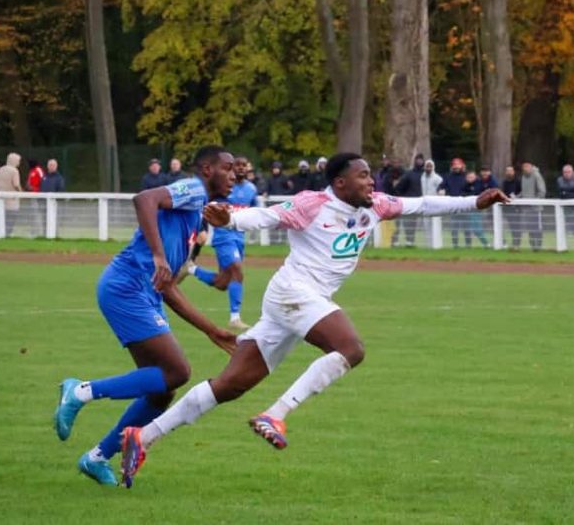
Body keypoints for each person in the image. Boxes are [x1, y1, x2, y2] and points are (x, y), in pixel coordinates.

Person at [118, 153, 509, 487]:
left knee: (231, 384)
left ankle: (143, 435)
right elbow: (267, 216)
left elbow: (422, 205)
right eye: (362, 176)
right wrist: (231, 221)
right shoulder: (312, 203)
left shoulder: (375, 205)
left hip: (301, 301)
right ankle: (276, 414)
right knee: (350, 349)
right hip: (293, 292)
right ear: (340, 183)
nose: (370, 181)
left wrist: (477, 201)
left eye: (370, 175)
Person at [51, 146, 239, 487]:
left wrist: (212, 331)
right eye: (227, 168)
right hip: (126, 286)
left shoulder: (196, 217)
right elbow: (144, 199)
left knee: (161, 390)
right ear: (207, 169)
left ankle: (95, 459)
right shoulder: (194, 189)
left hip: (142, 292)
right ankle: (79, 391)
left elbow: (168, 288)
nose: (234, 175)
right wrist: (156, 255)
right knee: (177, 371)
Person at [178, 155, 261, 332]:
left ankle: (190, 268)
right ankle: (235, 318)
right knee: (237, 269)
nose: (240, 168)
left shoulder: (251, 189)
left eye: (243, 165)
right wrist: (202, 228)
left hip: (239, 238)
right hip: (224, 237)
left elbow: (254, 210)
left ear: (247, 168)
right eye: (236, 165)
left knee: (223, 283)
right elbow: (205, 207)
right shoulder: (222, 188)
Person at [391, 154, 426, 247]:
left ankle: (420, 242)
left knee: (420, 223)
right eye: (417, 160)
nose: (419, 162)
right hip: (410, 202)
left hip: (424, 201)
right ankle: (406, 241)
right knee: (407, 223)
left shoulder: (426, 174)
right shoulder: (409, 174)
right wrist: (402, 197)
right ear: (415, 161)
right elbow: (399, 187)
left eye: (421, 160)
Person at [518, 160, 547, 251]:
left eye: (527, 166)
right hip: (526, 208)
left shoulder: (536, 175)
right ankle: (533, 246)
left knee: (537, 228)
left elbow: (542, 191)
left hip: (536, 208)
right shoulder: (523, 177)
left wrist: (535, 201)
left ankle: (538, 245)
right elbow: (524, 192)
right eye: (524, 167)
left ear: (531, 166)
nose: (525, 168)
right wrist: (516, 197)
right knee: (529, 227)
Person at [438, 158, 467, 247]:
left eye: (458, 166)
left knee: (466, 227)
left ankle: (468, 245)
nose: (456, 168)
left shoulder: (467, 176)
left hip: (465, 204)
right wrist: (440, 190)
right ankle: (455, 245)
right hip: (453, 204)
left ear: (462, 166)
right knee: (454, 227)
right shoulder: (448, 177)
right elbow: (441, 187)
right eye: (455, 166)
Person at [0, 152, 22, 237]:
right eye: (18, 161)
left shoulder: (2, 169)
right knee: (11, 217)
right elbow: (16, 184)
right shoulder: (14, 171)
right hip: (12, 199)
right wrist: (21, 192)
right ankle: (8, 233)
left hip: (1, 198)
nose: (19, 163)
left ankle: (0, 232)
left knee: (2, 217)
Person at [461, 171, 490, 247]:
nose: (470, 179)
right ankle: (486, 244)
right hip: (468, 209)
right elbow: (463, 194)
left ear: (475, 177)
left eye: (471, 177)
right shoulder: (465, 185)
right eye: (468, 177)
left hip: (477, 209)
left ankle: (487, 243)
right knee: (472, 228)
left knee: (476, 229)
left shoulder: (479, 184)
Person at [501, 165, 522, 249]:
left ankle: (516, 244)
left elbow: (521, 192)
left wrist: (516, 198)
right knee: (507, 227)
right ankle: (503, 243)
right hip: (506, 208)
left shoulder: (518, 182)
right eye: (507, 171)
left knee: (516, 227)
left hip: (516, 208)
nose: (509, 172)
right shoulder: (504, 182)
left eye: (510, 171)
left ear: (513, 172)